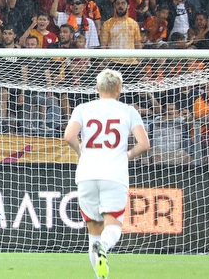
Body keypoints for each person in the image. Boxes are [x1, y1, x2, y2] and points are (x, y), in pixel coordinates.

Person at [63, 69, 151, 279]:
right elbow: (144, 144)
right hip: (113, 173)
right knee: (112, 226)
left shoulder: (83, 108)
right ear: (119, 89)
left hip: (87, 174)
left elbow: (68, 136)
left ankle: (100, 276)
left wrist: (80, 151)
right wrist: (127, 155)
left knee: (93, 230)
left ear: (97, 88)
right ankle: (104, 245)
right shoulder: (128, 111)